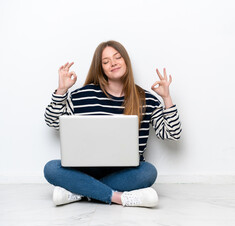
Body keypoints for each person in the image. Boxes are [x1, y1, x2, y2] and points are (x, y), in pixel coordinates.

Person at [43, 40, 182, 207]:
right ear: (100, 68)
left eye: (117, 58)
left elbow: (172, 133)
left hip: (124, 171)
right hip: (86, 169)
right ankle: (118, 197)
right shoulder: (81, 96)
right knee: (51, 168)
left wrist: (166, 98)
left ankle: (79, 191)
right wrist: (61, 91)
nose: (113, 63)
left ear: (126, 61)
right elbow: (52, 121)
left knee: (148, 172)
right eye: (106, 61)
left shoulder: (147, 100)